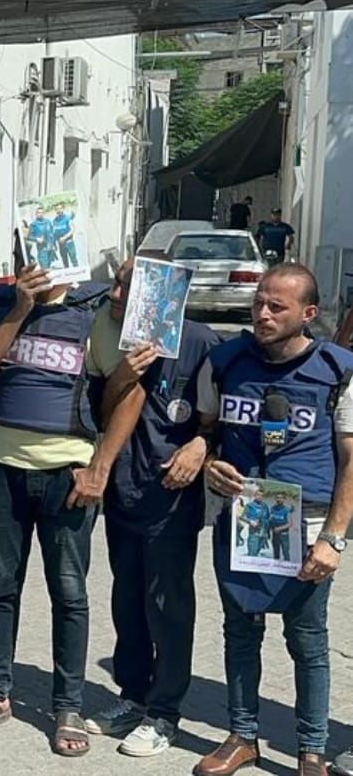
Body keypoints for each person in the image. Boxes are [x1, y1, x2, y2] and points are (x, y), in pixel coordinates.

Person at [0, 260, 139, 756]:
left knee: (70, 593)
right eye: (25, 260)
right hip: (1, 467)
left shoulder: (94, 313)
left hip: (67, 476)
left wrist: (99, 466)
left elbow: (128, 392)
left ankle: (68, 705)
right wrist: (20, 308)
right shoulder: (5, 307)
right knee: (2, 587)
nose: (33, 268)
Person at [193, 264, 353, 776]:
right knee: (240, 631)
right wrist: (210, 463)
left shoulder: (338, 371)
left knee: (306, 640)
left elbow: (352, 461)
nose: (262, 313)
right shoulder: (225, 362)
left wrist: (333, 539)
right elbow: (206, 431)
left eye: (276, 307)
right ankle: (242, 737)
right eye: (259, 302)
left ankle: (311, 751)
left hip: (307, 525)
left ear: (308, 314)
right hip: (241, 521)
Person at [79, 255, 220, 757]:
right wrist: (121, 374)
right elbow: (98, 412)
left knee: (168, 606)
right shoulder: (110, 340)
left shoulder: (201, 343)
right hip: (124, 491)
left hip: (171, 500)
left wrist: (201, 445)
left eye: (128, 289)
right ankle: (133, 696)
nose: (116, 296)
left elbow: (215, 422)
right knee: (128, 599)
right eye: (116, 287)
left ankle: (164, 714)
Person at [54, 202, 79, 268]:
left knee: (74, 261)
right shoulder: (54, 221)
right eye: (57, 209)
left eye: (60, 208)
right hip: (61, 245)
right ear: (55, 210)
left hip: (69, 243)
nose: (59, 210)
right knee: (65, 262)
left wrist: (64, 238)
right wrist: (54, 244)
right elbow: (54, 233)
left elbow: (72, 230)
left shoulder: (67, 218)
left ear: (63, 209)